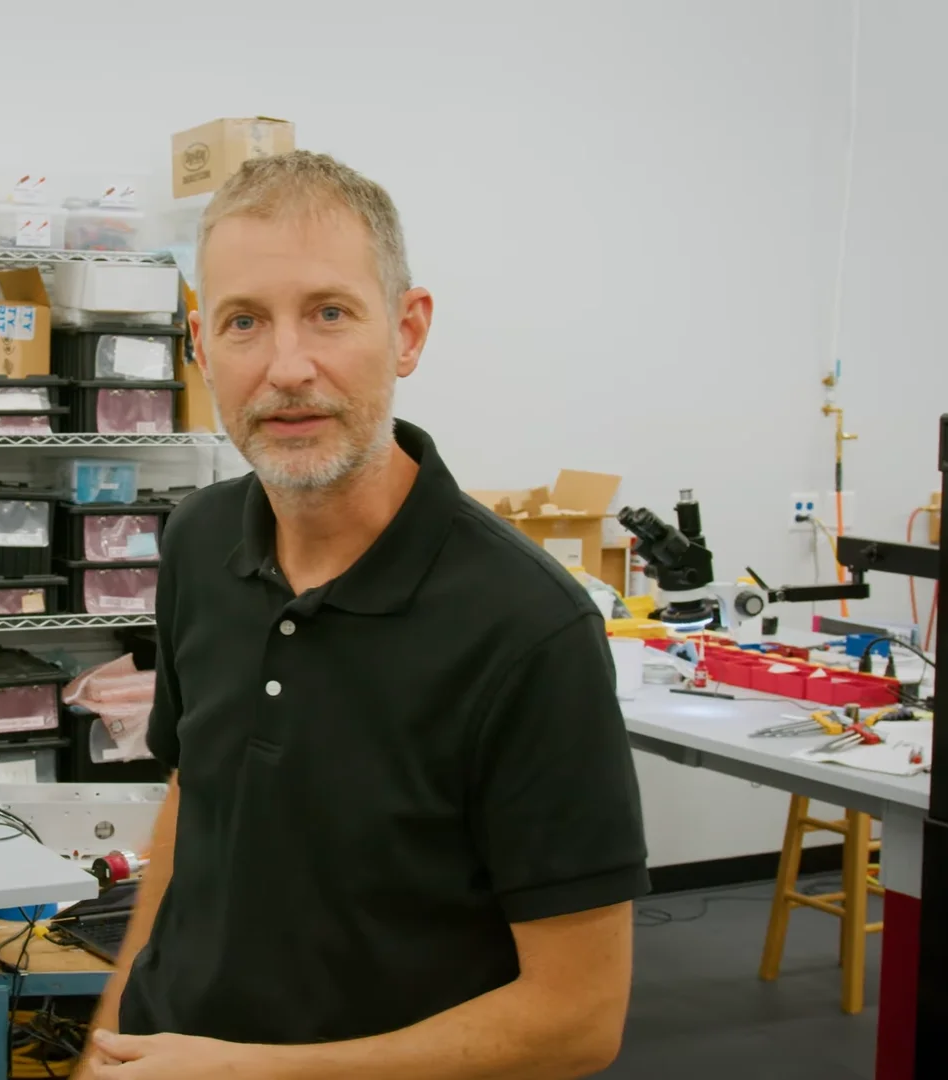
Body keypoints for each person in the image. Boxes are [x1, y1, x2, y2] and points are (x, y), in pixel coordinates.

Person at [80, 151, 650, 1079]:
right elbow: (194, 799)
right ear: (199, 345)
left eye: (331, 313)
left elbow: (579, 1019)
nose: (287, 367)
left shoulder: (530, 630)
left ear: (409, 330)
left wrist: (247, 1073)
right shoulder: (196, 539)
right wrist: (112, 1035)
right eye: (244, 323)